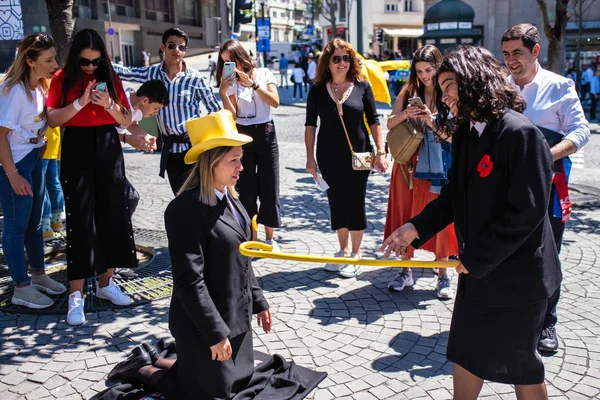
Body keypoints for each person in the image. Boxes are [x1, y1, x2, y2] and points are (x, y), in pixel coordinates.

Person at [382, 45, 561, 399]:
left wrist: (475, 258)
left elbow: (526, 213)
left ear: (473, 80)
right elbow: (452, 196)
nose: (443, 94)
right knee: (464, 352)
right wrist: (415, 228)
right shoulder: (467, 132)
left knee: (521, 367)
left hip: (518, 279)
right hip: (479, 271)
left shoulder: (519, 133)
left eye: (449, 85)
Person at [106, 110, 272, 399]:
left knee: (240, 382)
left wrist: (258, 301)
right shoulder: (184, 210)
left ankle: (161, 359)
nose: (241, 167)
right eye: (234, 159)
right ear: (212, 162)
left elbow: (243, 258)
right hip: (202, 323)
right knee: (211, 394)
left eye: (240, 158)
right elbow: (189, 281)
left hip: (234, 313)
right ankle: (142, 369)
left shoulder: (233, 200)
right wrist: (214, 334)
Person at [501, 23, 591, 353]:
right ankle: (513, 314)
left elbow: (581, 132)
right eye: (506, 53)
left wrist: (542, 156)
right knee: (509, 249)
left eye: (517, 53)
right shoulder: (500, 87)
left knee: (547, 255)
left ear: (535, 51)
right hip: (508, 185)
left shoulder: (559, 86)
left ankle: (547, 321)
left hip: (550, 184)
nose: (510, 60)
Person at [47, 29, 136, 326]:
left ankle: (106, 282)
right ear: (75, 57)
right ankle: (76, 294)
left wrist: (108, 105)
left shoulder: (110, 76)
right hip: (76, 146)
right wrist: (80, 103)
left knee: (112, 214)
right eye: (85, 62)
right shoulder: (62, 78)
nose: (90, 67)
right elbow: (52, 118)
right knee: (81, 218)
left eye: (96, 62)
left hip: (108, 145)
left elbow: (126, 118)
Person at [305, 37, 388, 278]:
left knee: (355, 201)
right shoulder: (318, 89)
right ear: (327, 63)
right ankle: (342, 251)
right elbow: (310, 126)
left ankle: (356, 253)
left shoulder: (362, 86)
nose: (342, 63)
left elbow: (374, 121)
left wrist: (380, 152)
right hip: (328, 156)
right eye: (337, 59)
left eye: (346, 58)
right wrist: (310, 159)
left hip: (359, 155)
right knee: (336, 203)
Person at [384, 45, 458, 299]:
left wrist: (430, 120)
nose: (425, 75)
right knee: (405, 213)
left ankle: (443, 274)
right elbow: (390, 122)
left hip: (438, 166)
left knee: (438, 215)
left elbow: (455, 134)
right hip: (407, 164)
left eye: (429, 70)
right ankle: (405, 270)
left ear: (439, 67)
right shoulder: (408, 92)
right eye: (419, 70)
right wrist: (407, 113)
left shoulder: (449, 92)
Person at [0, 33, 66, 309]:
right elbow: (0, 136)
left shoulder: (40, 87)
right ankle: (21, 287)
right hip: (15, 164)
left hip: (34, 160)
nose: (54, 63)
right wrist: (13, 174)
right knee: (15, 228)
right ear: (30, 61)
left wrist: (38, 146)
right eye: (48, 59)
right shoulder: (14, 91)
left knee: (35, 223)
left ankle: (38, 274)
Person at [113, 28, 220, 195]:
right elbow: (125, 73)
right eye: (172, 45)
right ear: (163, 47)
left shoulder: (196, 79)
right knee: (179, 197)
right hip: (170, 150)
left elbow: (215, 110)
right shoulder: (152, 73)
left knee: (200, 197)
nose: (177, 50)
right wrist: (96, 61)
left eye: (181, 47)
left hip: (194, 149)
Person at [217, 39, 282, 252]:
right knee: (246, 189)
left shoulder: (263, 73)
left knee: (269, 185)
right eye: (226, 62)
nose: (231, 65)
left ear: (241, 55)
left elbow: (274, 101)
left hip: (266, 132)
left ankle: (270, 239)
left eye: (232, 60)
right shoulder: (231, 83)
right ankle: (252, 237)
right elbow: (232, 115)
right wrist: (224, 93)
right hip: (242, 135)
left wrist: (252, 84)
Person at [116, 79, 170, 151]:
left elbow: (132, 125)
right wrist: (127, 139)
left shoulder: (138, 107)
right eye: (155, 108)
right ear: (145, 100)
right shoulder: (119, 102)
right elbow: (101, 132)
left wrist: (146, 137)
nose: (156, 113)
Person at [40, 126, 64, 242]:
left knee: (41, 185)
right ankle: (56, 221)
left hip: (41, 142)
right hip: (54, 141)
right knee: (54, 182)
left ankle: (45, 226)